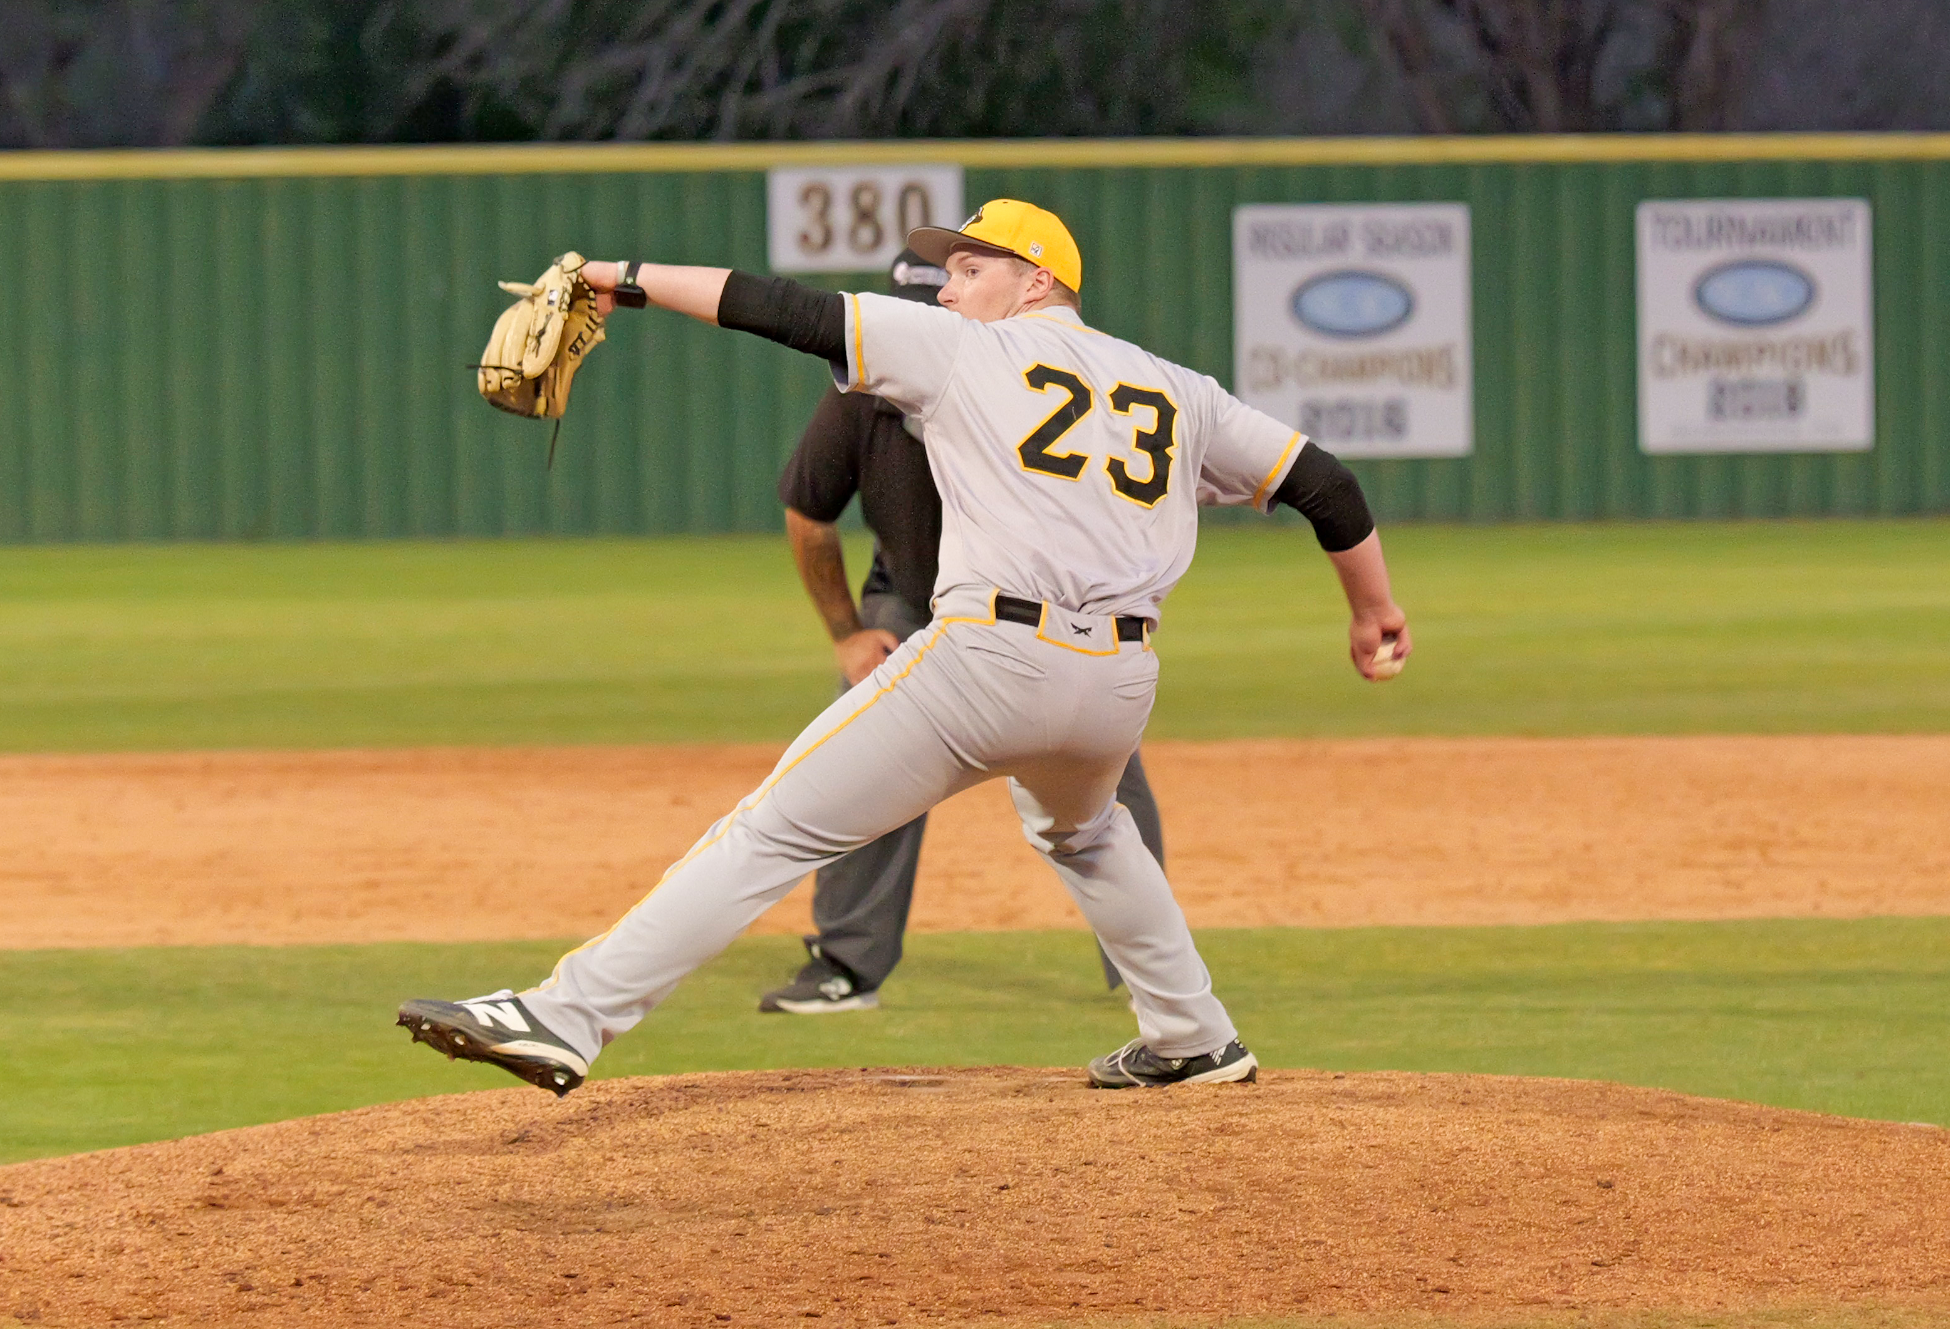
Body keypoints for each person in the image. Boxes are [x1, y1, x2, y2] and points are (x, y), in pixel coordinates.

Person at [398, 198, 1409, 1094]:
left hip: (989, 661)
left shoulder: (962, 348)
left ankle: (563, 1018)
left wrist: (619, 279)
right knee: (1089, 833)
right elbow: (1325, 485)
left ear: (1036, 281)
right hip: (1116, 684)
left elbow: (778, 308)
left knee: (773, 829)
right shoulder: (1177, 390)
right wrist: (1371, 612)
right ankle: (1193, 1037)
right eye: (949, 269)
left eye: (973, 268)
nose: (950, 283)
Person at [760, 248, 1159, 1014]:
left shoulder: (1046, 390)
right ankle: (845, 962)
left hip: (1042, 607)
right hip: (914, 604)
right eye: (928, 298)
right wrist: (846, 633)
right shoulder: (863, 396)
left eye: (958, 289)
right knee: (864, 760)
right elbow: (808, 512)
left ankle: (1153, 971)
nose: (943, 307)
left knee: (1105, 769)